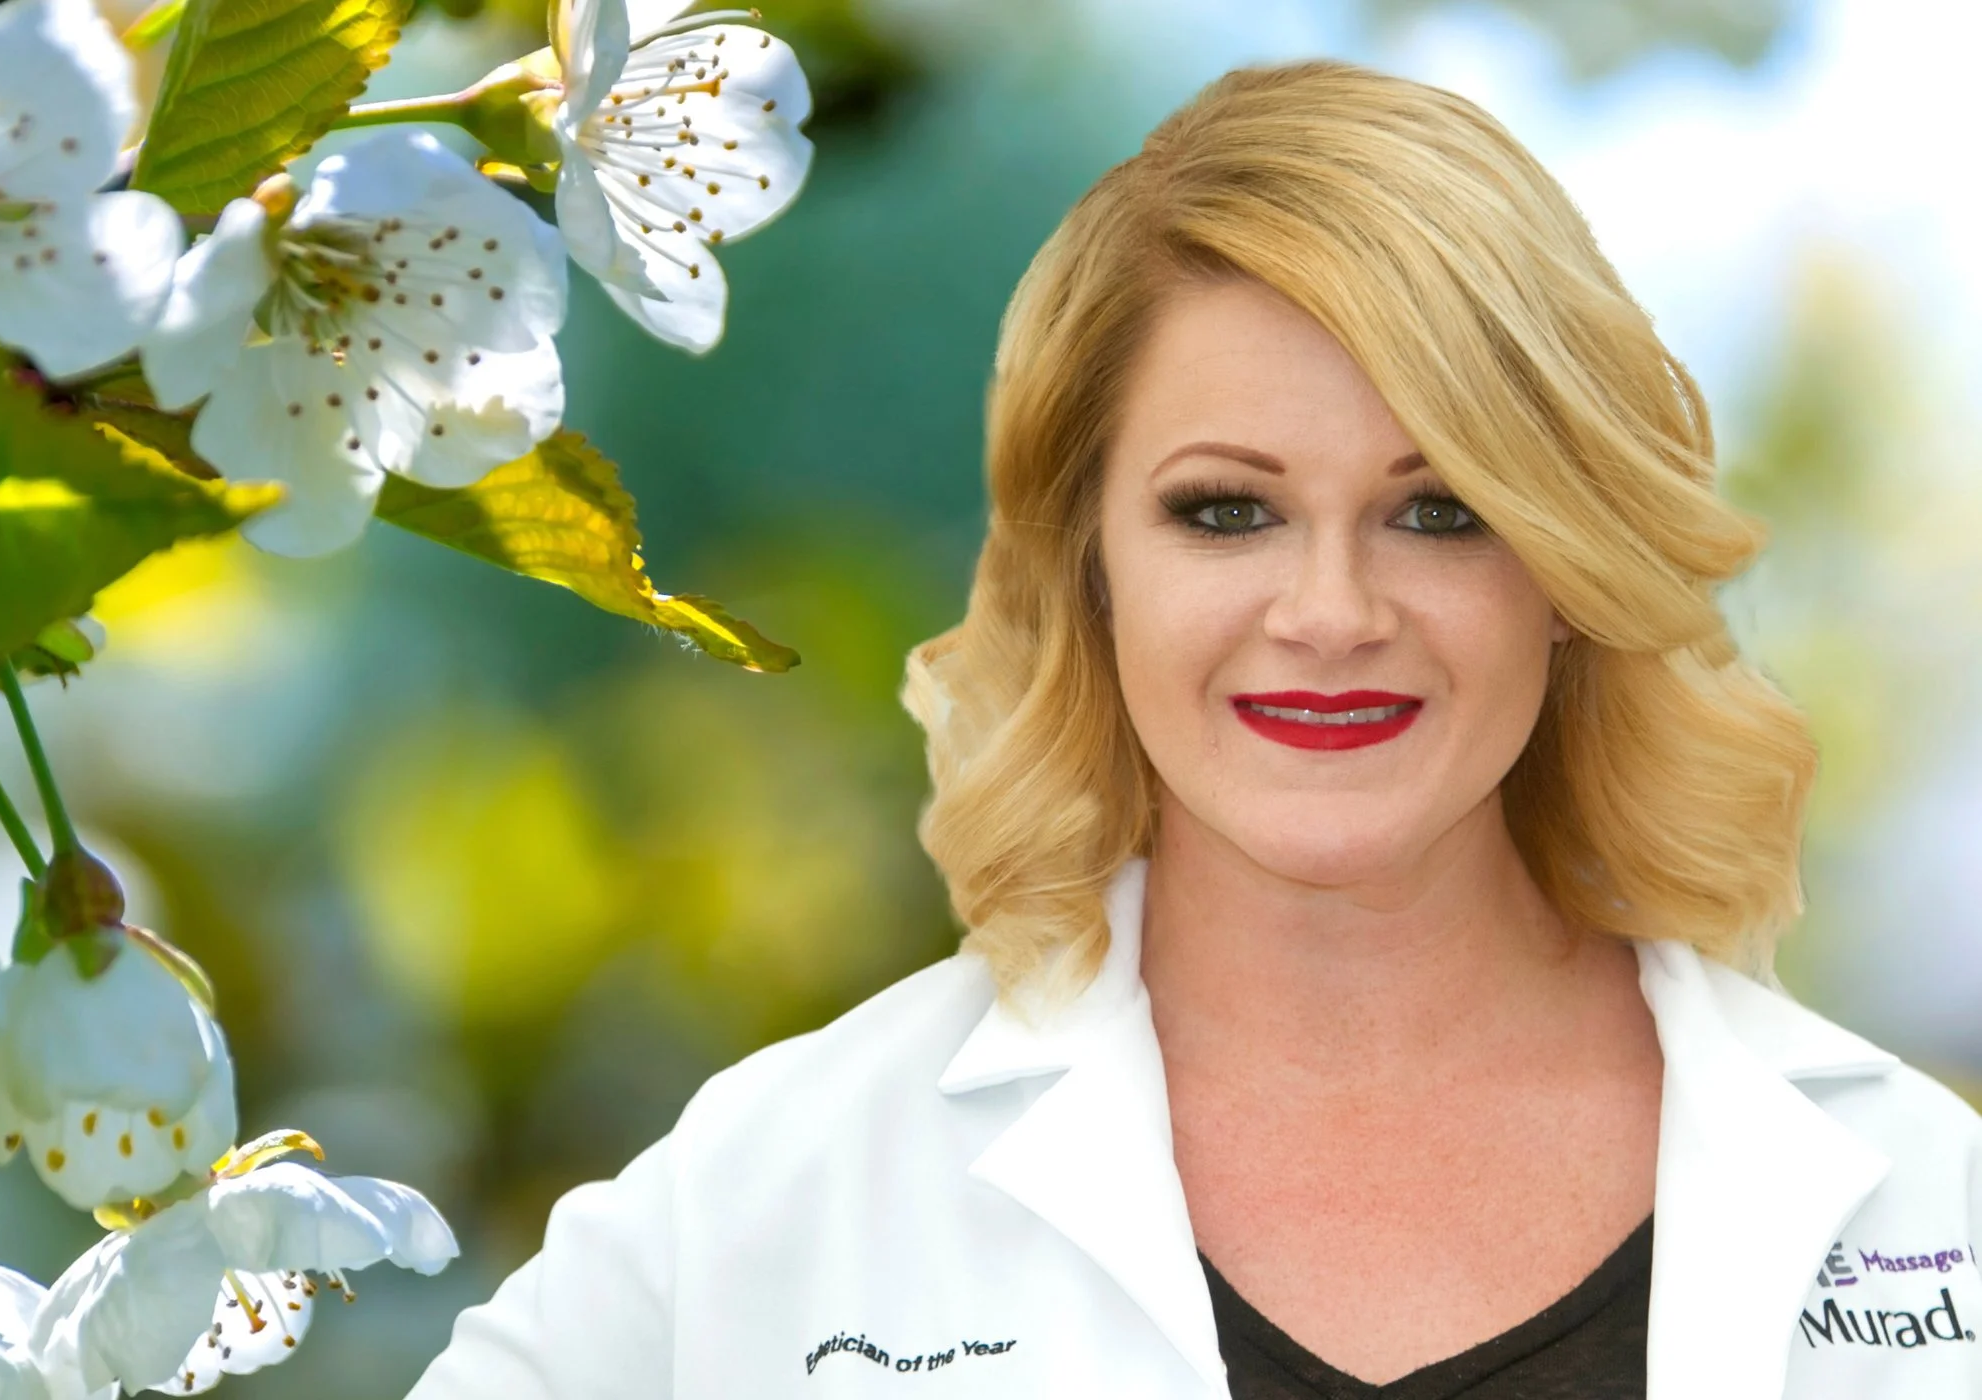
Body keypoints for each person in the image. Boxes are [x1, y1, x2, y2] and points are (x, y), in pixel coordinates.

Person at [400, 58, 1982, 1399]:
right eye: (1226, 511)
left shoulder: (1929, 1210)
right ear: (1085, 566)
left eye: (1441, 513)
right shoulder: (768, 1193)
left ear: (1569, 567)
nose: (1332, 610)